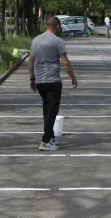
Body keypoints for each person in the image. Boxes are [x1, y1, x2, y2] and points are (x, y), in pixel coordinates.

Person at [28, 17, 77, 151]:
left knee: (47, 109)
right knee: (52, 110)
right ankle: (45, 141)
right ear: (56, 26)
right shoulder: (58, 41)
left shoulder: (36, 40)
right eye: (60, 27)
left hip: (40, 81)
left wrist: (32, 79)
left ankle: (51, 136)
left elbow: (30, 60)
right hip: (53, 80)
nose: (60, 29)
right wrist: (73, 77)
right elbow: (65, 62)